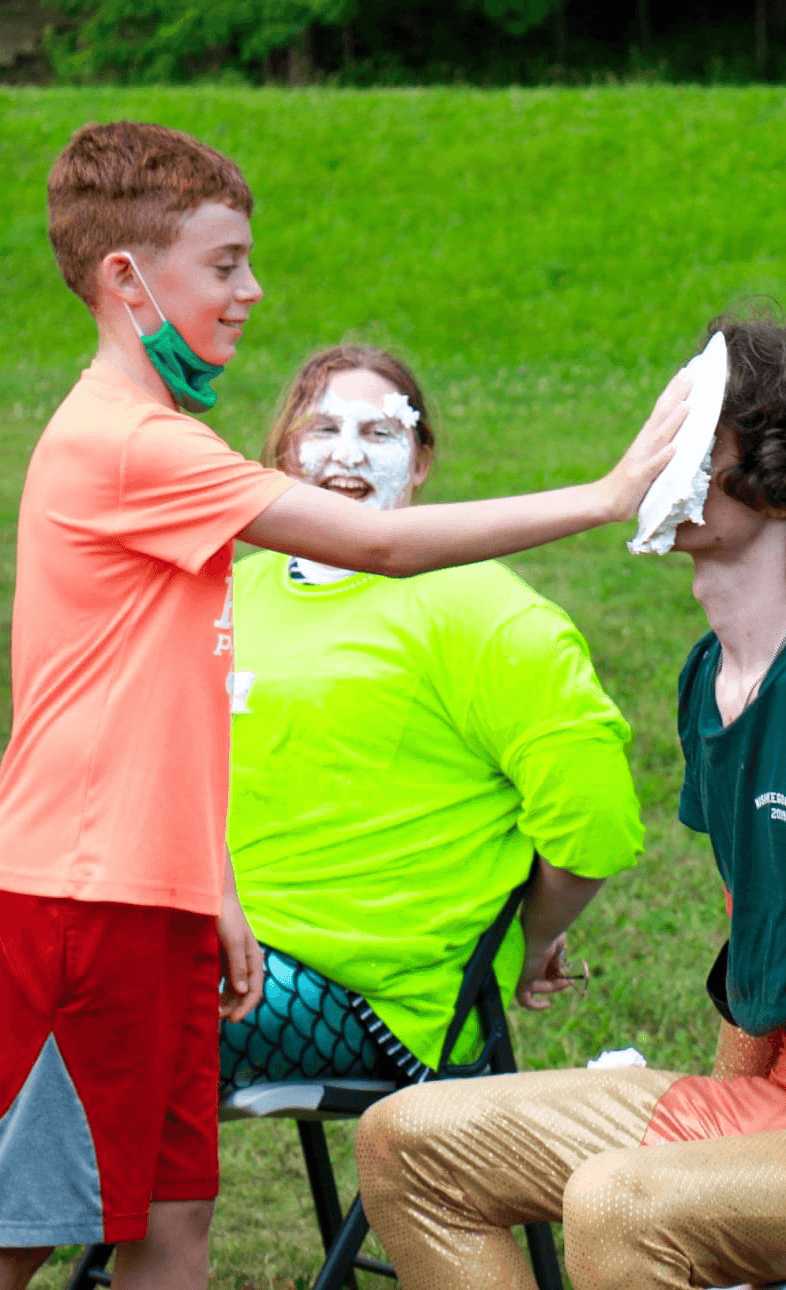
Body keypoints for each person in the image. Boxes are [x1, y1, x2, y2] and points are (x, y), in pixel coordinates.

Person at [0, 120, 683, 1290]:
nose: (252, 290)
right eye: (226, 262)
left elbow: (166, 719)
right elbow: (380, 544)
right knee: (13, 1229)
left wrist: (212, 888)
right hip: (80, 900)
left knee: (173, 1224)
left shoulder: (163, 441)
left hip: (156, 904)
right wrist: (608, 496)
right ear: (128, 280)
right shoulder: (130, 446)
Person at [353, 318, 786, 1290]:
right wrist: (722, 1124)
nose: (672, 456)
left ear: (784, 484)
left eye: (706, 439)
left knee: (620, 1205)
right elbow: (757, 922)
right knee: (404, 1145)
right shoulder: (713, 674)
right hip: (784, 1102)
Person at [219, 343, 644, 1091]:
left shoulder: (485, 612)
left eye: (379, 433)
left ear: (419, 464)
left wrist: (527, 939)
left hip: (361, 998)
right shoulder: (227, 595)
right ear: (282, 455)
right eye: (322, 430)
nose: (346, 454)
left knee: (59, 1043)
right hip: (197, 945)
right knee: (20, 1016)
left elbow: (595, 815)